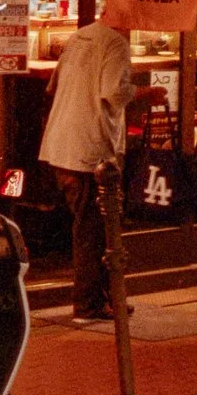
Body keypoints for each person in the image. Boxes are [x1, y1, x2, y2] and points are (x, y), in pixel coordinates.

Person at [40, 19, 137, 322]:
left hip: (60, 146)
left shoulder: (79, 37)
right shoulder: (117, 44)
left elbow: (52, 85)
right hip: (90, 150)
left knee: (92, 228)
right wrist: (147, 93)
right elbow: (114, 93)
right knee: (92, 231)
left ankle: (109, 296)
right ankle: (88, 305)